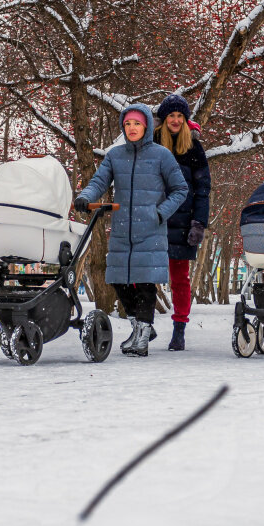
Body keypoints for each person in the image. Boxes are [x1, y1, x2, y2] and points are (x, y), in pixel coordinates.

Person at [74, 104, 189, 357]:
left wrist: (159, 213)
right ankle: (141, 327)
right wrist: (85, 197)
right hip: (122, 228)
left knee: (145, 283)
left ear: (146, 126)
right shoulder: (115, 156)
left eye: (136, 123)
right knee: (119, 280)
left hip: (150, 228)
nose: (132, 128)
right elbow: (99, 182)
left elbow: (180, 189)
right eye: (127, 124)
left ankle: (142, 336)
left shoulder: (161, 155)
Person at [154, 94, 211, 351]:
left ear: (185, 120)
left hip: (184, 222)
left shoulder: (194, 149)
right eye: (171, 116)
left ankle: (179, 328)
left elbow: (203, 189)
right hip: (154, 220)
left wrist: (199, 223)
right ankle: (143, 323)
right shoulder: (152, 143)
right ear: (164, 120)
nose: (176, 120)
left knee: (179, 278)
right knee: (141, 276)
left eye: (180, 116)